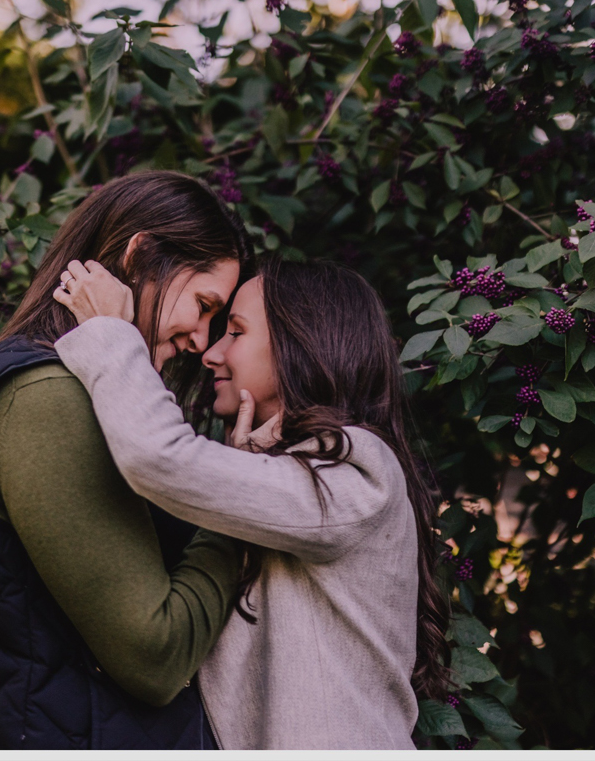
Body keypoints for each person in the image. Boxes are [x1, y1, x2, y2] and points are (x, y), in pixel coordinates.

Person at [0, 171, 249, 748]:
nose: (202, 340)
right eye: (204, 304)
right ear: (139, 256)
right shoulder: (47, 400)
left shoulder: (74, 393)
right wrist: (243, 508)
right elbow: (155, 656)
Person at [51, 255, 449, 751]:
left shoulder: (359, 472)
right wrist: (250, 462)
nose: (210, 353)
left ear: (299, 347)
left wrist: (112, 333)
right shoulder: (299, 479)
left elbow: (159, 458)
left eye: (235, 332)